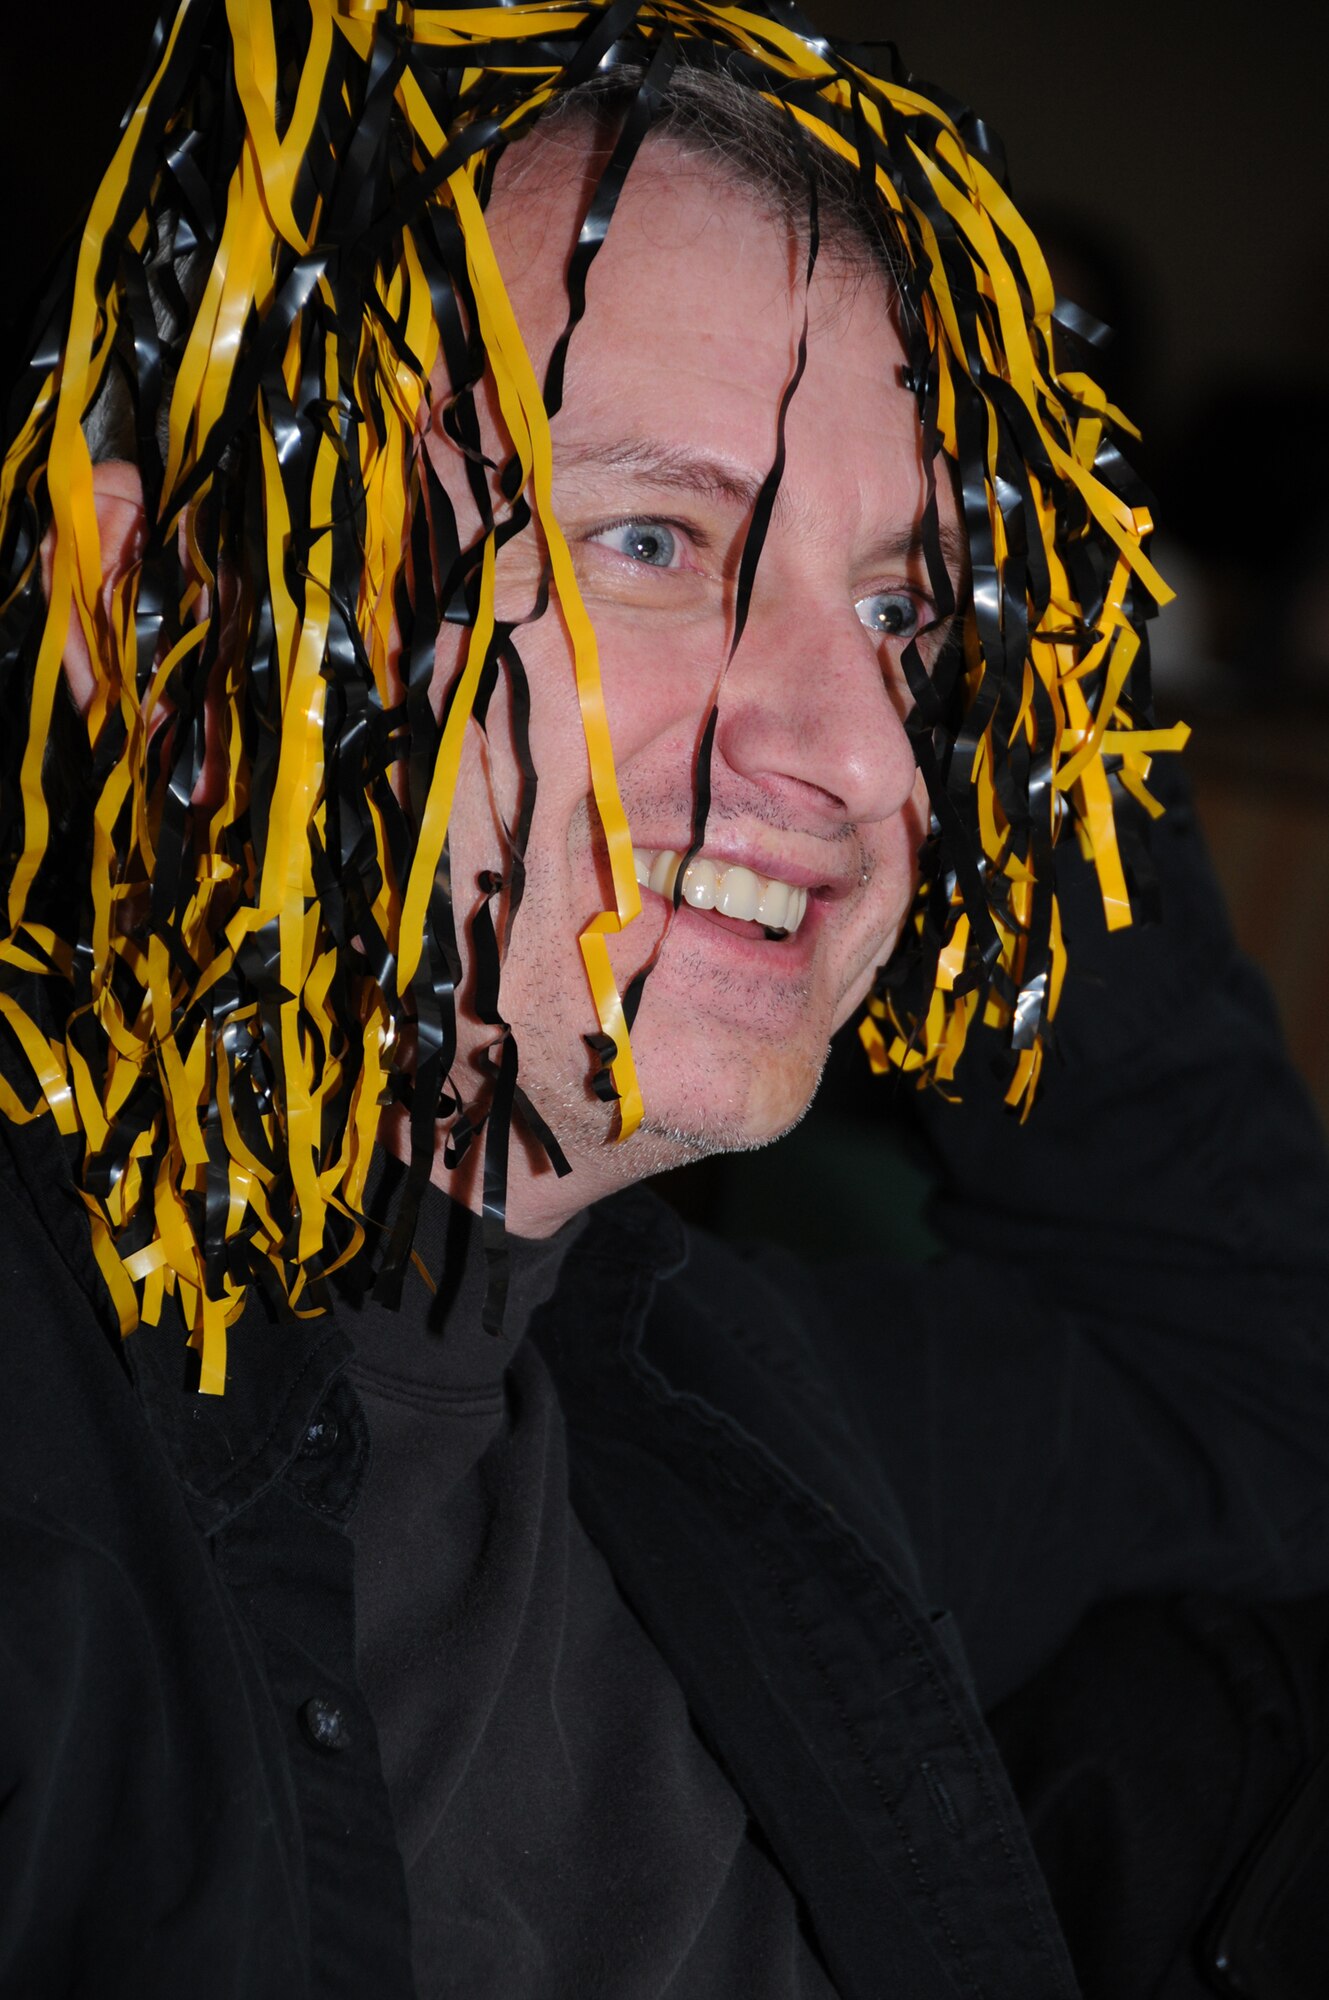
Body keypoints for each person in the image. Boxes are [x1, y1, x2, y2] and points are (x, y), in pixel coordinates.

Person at [1, 4, 1326, 1997]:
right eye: (651, 538)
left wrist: (1012, 653)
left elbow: (1250, 1357)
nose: (862, 753)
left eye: (896, 611)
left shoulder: (732, 1397)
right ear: (169, 622)